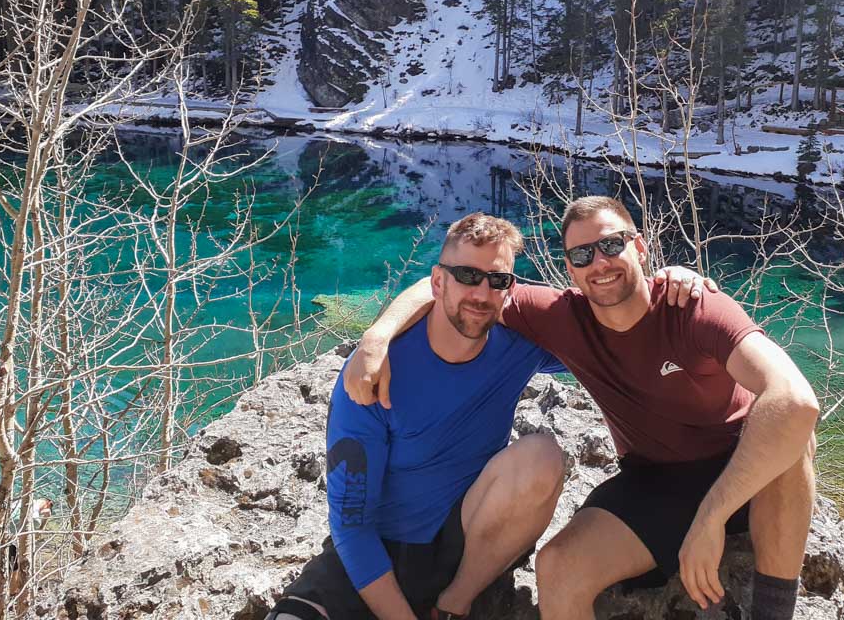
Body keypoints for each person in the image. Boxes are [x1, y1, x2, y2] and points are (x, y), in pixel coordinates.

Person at [345, 196, 819, 620]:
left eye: (612, 245)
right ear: (569, 268)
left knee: (788, 437)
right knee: (557, 567)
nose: (599, 263)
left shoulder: (694, 307)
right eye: (581, 254)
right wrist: (378, 335)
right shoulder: (561, 317)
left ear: (641, 246)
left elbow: (795, 401)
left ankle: (774, 611)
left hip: (742, 470)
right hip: (656, 482)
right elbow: (450, 285)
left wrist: (711, 517)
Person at [267, 211, 710, 620]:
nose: (481, 293)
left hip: (467, 542)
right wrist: (378, 334)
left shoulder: (521, 341)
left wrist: (670, 286)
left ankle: (456, 604)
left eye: (496, 280)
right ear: (438, 283)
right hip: (376, 556)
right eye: (466, 276)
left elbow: (614, 315)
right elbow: (351, 527)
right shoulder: (374, 373)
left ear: (510, 287)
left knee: (541, 455)